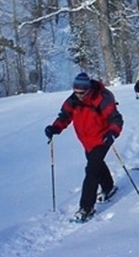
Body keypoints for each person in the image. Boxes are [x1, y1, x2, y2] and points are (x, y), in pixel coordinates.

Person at [44, 72, 123, 222]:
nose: (78, 95)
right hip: (86, 141)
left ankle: (86, 208)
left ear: (88, 89)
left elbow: (116, 119)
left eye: (81, 92)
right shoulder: (73, 100)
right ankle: (108, 187)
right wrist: (54, 128)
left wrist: (112, 132)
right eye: (75, 91)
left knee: (91, 171)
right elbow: (64, 117)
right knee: (97, 165)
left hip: (102, 139)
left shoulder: (101, 99)